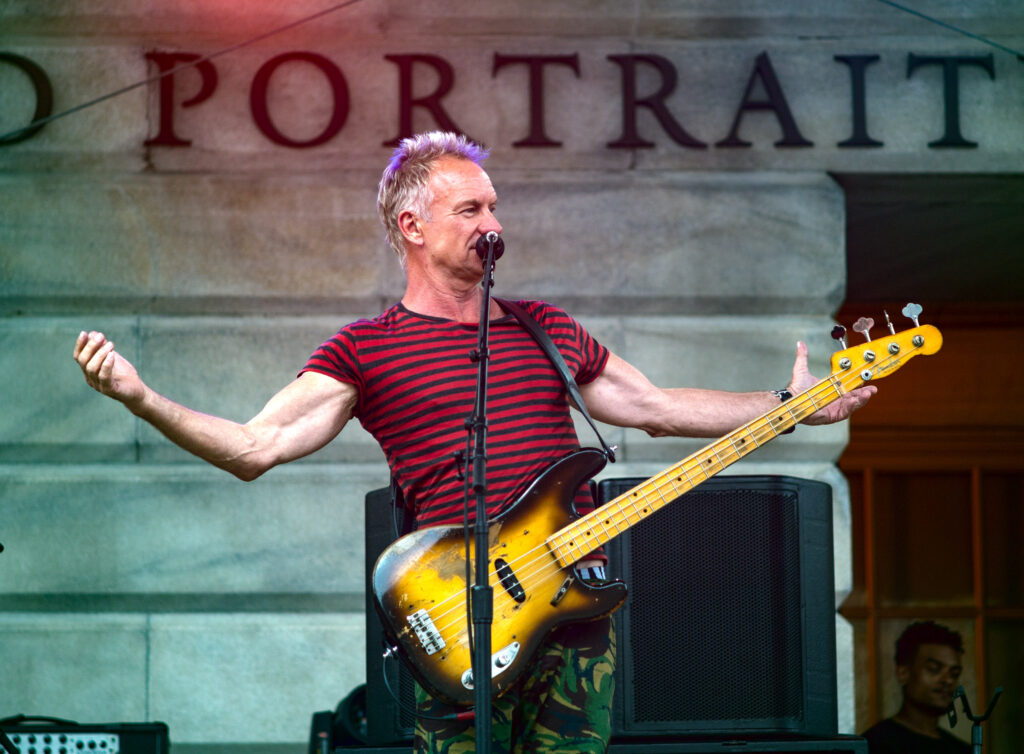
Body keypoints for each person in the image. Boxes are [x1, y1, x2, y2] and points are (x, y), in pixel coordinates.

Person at [73, 130, 875, 754]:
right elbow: (254, 447)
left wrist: (784, 404)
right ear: (411, 225)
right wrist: (142, 399)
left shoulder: (545, 328)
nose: (494, 224)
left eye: (494, 207)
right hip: (458, 621)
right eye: (471, 210)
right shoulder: (364, 348)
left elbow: (655, 406)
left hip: (572, 617)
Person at [862, 621, 970, 754]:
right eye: (934, 669)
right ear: (903, 673)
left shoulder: (961, 750)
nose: (948, 680)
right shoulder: (875, 745)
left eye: (954, 674)